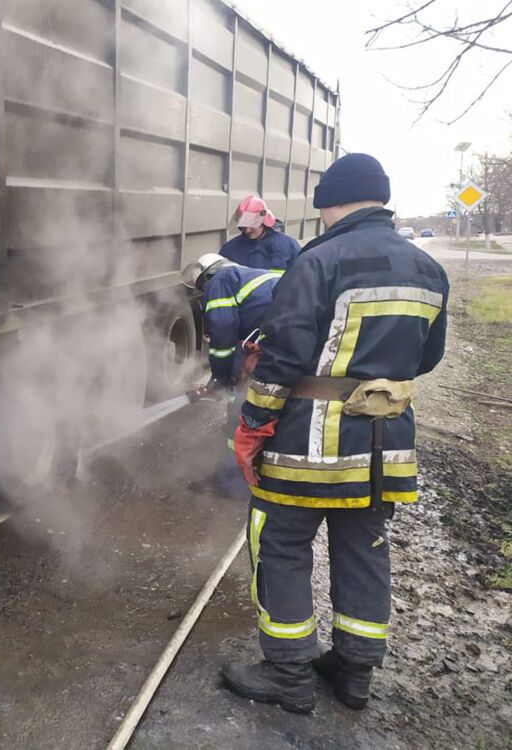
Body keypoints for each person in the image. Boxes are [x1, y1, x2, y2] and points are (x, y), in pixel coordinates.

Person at [221, 153, 449, 714]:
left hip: (307, 449)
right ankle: (353, 674)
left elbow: (283, 359)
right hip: (383, 450)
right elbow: (427, 358)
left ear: (332, 202)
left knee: (279, 546)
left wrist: (252, 425)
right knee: (363, 550)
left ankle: (289, 675)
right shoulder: (428, 270)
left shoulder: (317, 261)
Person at [181, 254, 282, 495]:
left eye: (201, 286)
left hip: (272, 354)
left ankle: (230, 484)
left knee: (240, 415)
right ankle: (264, 471)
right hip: (286, 352)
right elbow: (244, 337)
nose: (203, 291)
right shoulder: (249, 276)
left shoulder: (221, 282)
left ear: (207, 276)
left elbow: (223, 338)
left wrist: (222, 377)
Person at [221, 195, 301, 271]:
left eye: (252, 224)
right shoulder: (229, 249)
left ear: (264, 220)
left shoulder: (288, 247)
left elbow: (299, 278)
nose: (247, 230)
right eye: (243, 225)